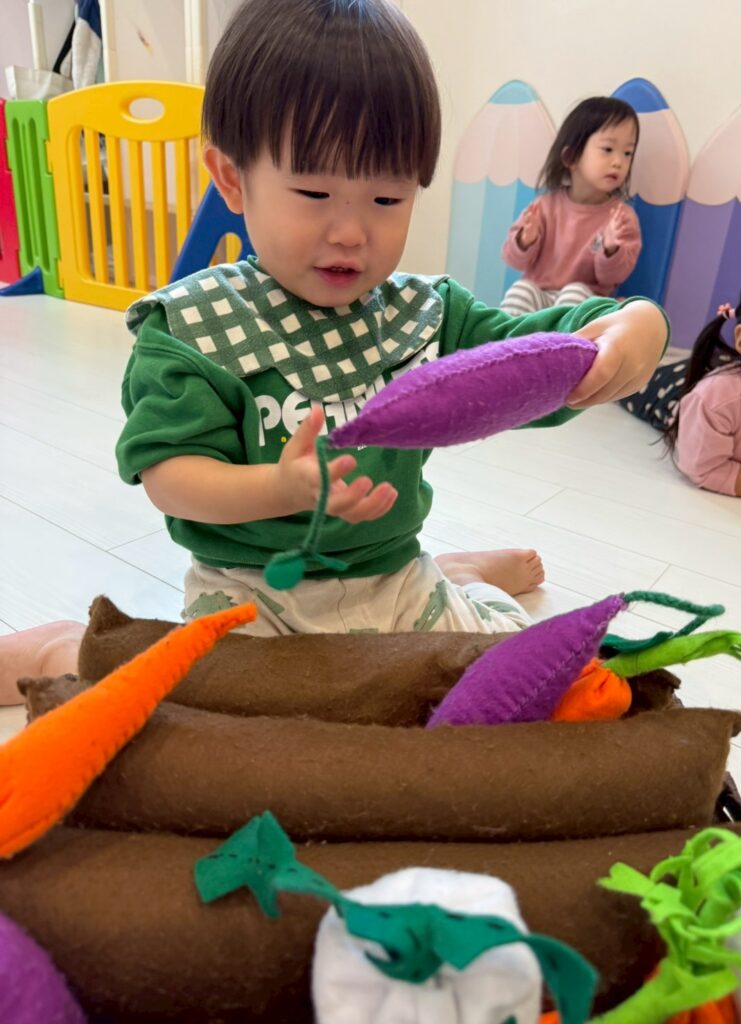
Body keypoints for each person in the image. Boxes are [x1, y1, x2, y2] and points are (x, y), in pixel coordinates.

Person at [0, 0, 668, 700]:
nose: (351, 231)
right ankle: (61, 644)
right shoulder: (198, 327)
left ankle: (460, 578)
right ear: (232, 178)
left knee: (518, 688)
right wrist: (277, 489)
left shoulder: (424, 316)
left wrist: (633, 324)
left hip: (396, 579)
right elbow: (172, 476)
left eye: (387, 200)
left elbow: (531, 357)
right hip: (251, 595)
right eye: (314, 191)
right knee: (205, 711)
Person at [619, 266, 741, 500]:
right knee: (627, 376)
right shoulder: (717, 400)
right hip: (670, 389)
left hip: (726, 368)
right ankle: (617, 323)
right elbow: (705, 469)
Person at [500, 97, 642, 317]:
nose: (618, 162)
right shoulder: (543, 207)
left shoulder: (621, 217)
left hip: (587, 304)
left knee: (574, 292)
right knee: (521, 290)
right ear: (571, 157)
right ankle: (506, 340)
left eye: (627, 153)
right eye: (607, 149)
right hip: (540, 298)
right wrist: (525, 241)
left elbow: (613, 277)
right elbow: (513, 260)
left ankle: (559, 341)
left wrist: (611, 249)